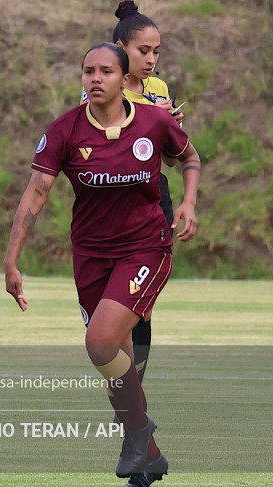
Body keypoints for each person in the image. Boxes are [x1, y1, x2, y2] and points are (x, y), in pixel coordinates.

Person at [4, 43, 200, 487]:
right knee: (117, 366)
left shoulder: (154, 120)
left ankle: (137, 432)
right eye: (88, 71)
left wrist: (188, 202)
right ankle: (148, 457)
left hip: (145, 248)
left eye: (105, 71)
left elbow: (188, 157)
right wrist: (11, 258)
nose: (95, 78)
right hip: (91, 255)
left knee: (99, 342)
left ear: (123, 76)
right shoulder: (65, 130)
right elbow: (36, 194)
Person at [82, 1, 186, 383]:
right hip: (110, 203)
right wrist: (152, 115)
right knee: (116, 303)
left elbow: (173, 158)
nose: (152, 59)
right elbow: (101, 133)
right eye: (144, 51)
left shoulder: (157, 87)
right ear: (120, 50)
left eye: (157, 52)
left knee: (142, 304)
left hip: (153, 198)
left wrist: (172, 125)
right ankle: (124, 386)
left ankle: (132, 389)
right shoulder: (99, 84)